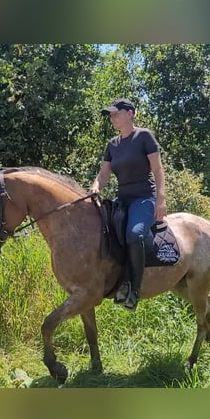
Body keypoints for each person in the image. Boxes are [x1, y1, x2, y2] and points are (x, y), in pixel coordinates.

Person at [88, 98, 167, 310]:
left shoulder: (144, 137)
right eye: (111, 115)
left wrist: (161, 199)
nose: (112, 118)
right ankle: (116, 282)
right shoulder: (112, 145)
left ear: (130, 113)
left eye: (116, 113)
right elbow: (104, 174)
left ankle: (134, 289)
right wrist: (95, 187)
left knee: (134, 234)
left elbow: (158, 170)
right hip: (122, 199)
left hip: (144, 198)